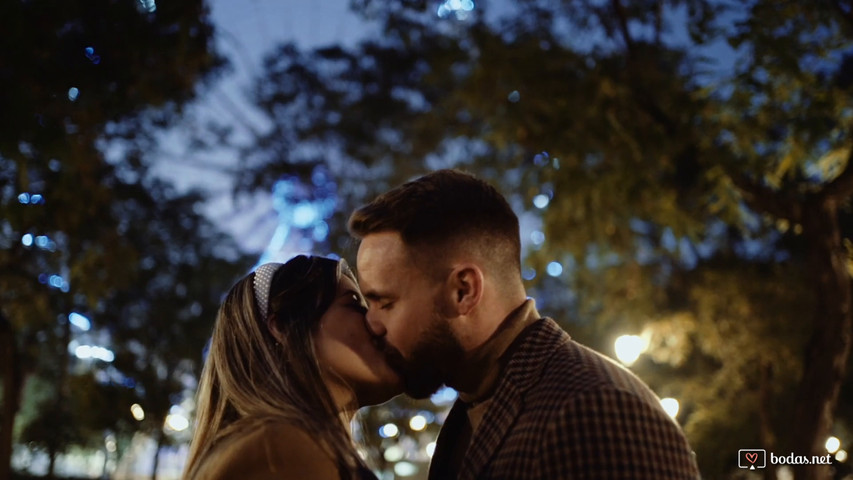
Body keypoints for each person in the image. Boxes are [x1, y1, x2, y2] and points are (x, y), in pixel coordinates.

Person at [349, 169, 701, 480]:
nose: (372, 323)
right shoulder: (475, 404)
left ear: (463, 290)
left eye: (385, 302)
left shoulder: (594, 409)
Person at [183, 255, 403, 480]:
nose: (375, 324)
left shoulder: (288, 445)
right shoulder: (277, 450)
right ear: (284, 327)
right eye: (354, 304)